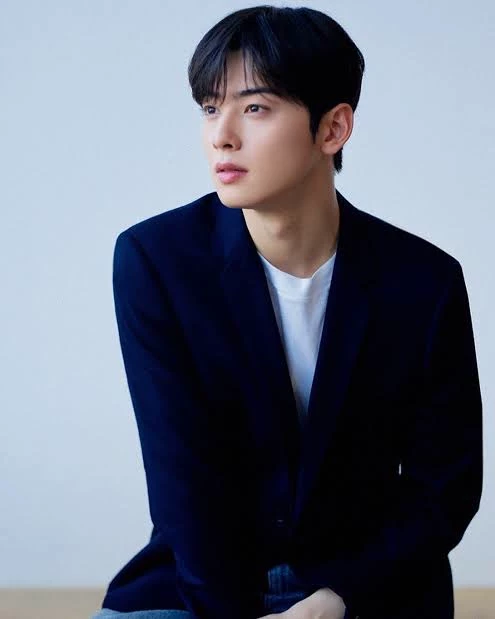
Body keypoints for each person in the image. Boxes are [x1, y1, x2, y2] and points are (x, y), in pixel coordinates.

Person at [92, 5, 483, 619]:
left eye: (255, 108)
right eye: (209, 108)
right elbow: (181, 480)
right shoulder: (157, 261)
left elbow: (445, 488)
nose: (221, 135)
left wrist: (336, 599)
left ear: (333, 129)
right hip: (199, 583)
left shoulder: (423, 282)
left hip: (367, 586)